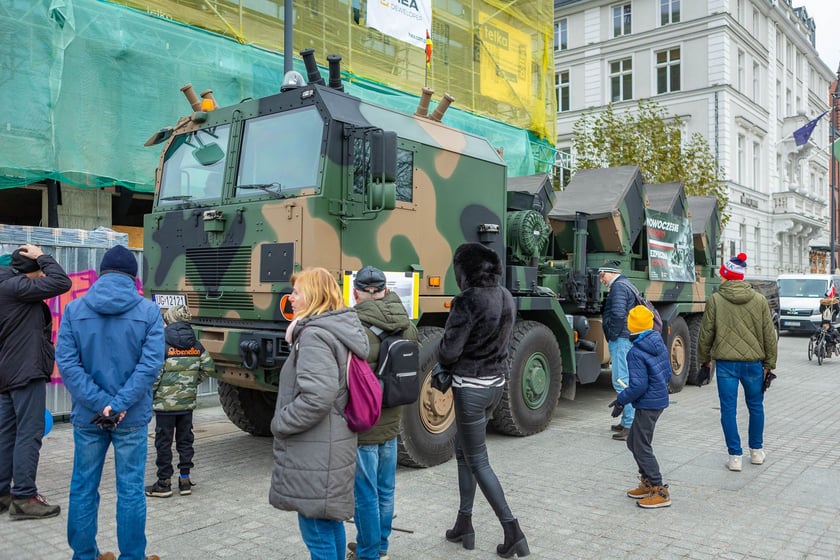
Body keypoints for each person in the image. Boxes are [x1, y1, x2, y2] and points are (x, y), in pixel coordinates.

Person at [56, 244, 165, 560]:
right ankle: (133, 556)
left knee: (83, 488)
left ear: (101, 274)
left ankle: (84, 555)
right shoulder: (148, 312)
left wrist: (101, 403)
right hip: (130, 418)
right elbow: (150, 366)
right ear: (134, 277)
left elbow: (67, 362)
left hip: (88, 417)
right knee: (130, 491)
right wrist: (118, 405)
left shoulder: (75, 310)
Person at [269, 267, 369, 560]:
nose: (291, 298)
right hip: (329, 444)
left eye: (297, 292)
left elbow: (317, 397)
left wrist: (280, 422)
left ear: (313, 295)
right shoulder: (336, 329)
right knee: (327, 523)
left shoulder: (314, 336)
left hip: (316, 449)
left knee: (316, 530)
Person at [436, 242, 529, 559]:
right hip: (495, 386)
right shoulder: (505, 295)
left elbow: (449, 351)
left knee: (478, 461)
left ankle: (512, 530)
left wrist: (442, 358)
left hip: (470, 388)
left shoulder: (467, 300)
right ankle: (464, 524)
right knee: (463, 453)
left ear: (463, 271)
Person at [347, 266, 418, 560]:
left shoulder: (353, 326)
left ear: (356, 293)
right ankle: (381, 547)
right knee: (386, 490)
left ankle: (367, 553)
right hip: (393, 419)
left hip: (364, 423)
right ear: (386, 291)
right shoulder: (407, 323)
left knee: (365, 495)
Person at [0, 244, 71, 519]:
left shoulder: (6, 285)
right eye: (38, 272)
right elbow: (62, 282)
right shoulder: (15, 287)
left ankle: (4, 493)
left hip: (7, 372)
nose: (42, 277)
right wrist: (43, 256)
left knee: (6, 434)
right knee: (29, 433)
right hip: (24, 370)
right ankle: (25, 497)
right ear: (27, 270)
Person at [698, 252, 777, 472]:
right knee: (756, 407)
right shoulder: (760, 300)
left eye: (722, 274)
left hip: (725, 364)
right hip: (754, 363)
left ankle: (735, 457)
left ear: (727, 276)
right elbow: (769, 335)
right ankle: (757, 452)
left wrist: (705, 361)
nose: (720, 278)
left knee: (728, 410)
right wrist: (769, 364)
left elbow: (706, 334)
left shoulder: (715, 299)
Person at [145, 304, 215, 499]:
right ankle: (185, 480)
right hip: (186, 404)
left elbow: (155, 374)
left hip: (165, 406)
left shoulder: (162, 343)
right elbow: (209, 368)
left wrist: (152, 394)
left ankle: (164, 483)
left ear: (169, 320)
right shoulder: (196, 344)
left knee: (163, 443)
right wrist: (191, 383)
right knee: (185, 441)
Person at [609, 305, 672, 509]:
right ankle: (647, 483)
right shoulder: (658, 342)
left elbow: (638, 385)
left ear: (630, 326)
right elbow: (667, 372)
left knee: (641, 445)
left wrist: (621, 400)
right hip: (657, 400)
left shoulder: (635, 352)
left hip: (648, 403)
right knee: (633, 442)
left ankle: (659, 489)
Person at [598, 260, 636, 441]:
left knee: (621, 381)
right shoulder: (626, 284)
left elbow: (619, 314)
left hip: (620, 339)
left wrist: (612, 335)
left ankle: (629, 425)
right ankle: (627, 421)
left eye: (602, 275)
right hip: (624, 337)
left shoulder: (619, 287)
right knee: (625, 380)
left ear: (611, 273)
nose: (601, 279)